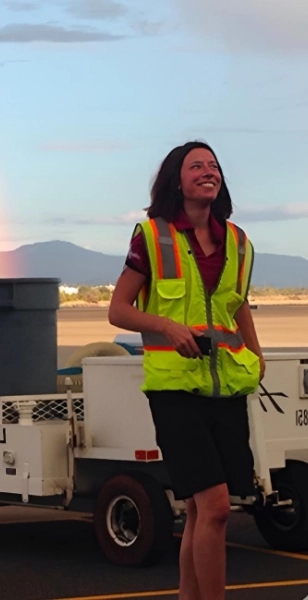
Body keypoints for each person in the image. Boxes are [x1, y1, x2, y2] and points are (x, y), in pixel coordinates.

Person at [108, 141, 264, 600]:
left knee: (201, 511)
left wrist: (256, 357)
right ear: (176, 180)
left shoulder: (238, 242)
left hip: (226, 388)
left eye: (213, 165)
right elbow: (118, 309)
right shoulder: (153, 237)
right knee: (215, 508)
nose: (208, 171)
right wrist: (166, 326)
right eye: (196, 166)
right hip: (175, 389)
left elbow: (238, 305)